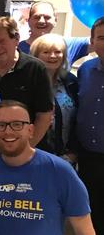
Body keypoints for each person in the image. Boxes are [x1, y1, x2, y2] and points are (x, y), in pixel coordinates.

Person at [0, 100, 95, 234]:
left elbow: (84, 229)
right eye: (1, 125)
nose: (8, 131)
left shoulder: (60, 171)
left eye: (17, 124)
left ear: (30, 130)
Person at [0, 17, 54, 152]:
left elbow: (44, 115)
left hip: (27, 148)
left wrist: (26, 149)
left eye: (2, 41)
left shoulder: (35, 68)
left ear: (16, 39)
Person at [75, 16, 104, 233]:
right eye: (101, 37)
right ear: (92, 41)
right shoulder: (85, 70)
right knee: (90, 216)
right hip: (87, 158)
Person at [30, 33, 78, 158]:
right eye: (46, 52)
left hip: (66, 156)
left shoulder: (70, 81)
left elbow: (78, 118)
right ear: (35, 55)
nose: (52, 56)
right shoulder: (27, 82)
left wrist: (74, 151)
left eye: (57, 52)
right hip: (34, 153)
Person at [20, 1, 90, 66]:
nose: (41, 21)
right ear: (28, 20)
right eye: (37, 17)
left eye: (47, 17)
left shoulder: (68, 44)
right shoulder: (17, 49)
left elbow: (98, 39)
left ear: (55, 20)